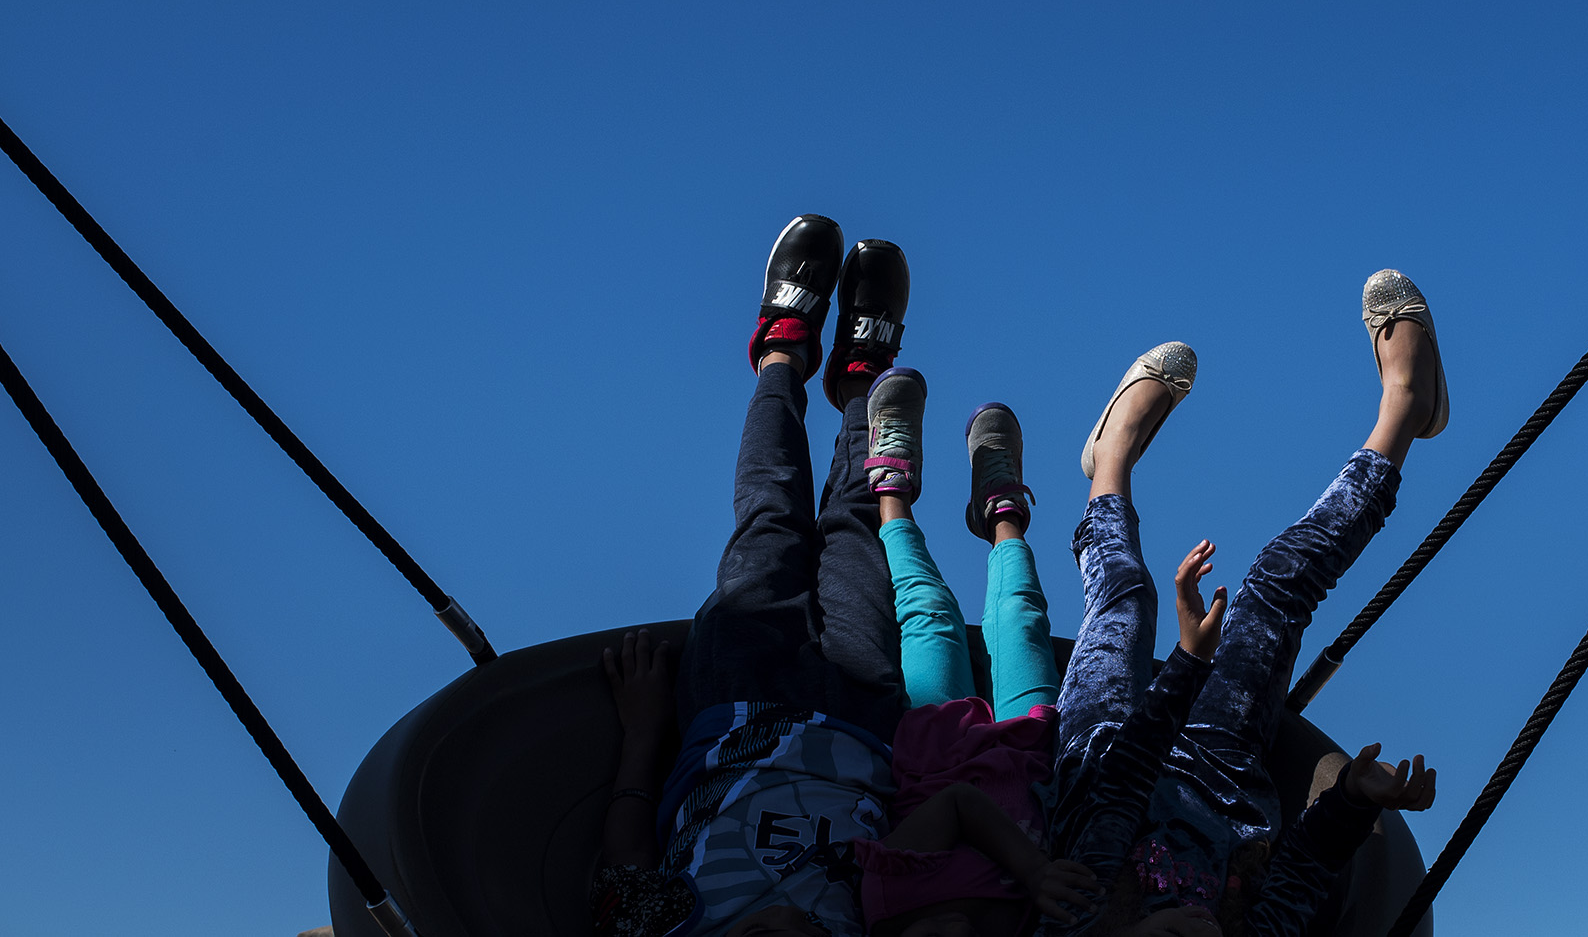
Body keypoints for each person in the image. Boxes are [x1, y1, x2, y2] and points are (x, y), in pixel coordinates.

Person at [1047, 270, 1448, 937]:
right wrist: (1352, 797)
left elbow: (1122, 781)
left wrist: (1186, 663)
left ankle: (1110, 458)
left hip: (1108, 760)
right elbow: (1302, 872)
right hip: (1225, 779)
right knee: (1277, 584)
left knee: (1125, 597)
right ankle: (1404, 410)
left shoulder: (1084, 915)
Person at [589, 214, 917, 937]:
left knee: (770, 514)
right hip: (861, 725)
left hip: (734, 704)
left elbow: (626, 854)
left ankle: (781, 349)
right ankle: (861, 378)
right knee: (859, 525)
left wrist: (645, 731)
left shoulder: (668, 929)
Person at [847, 387, 1078, 937]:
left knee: (930, 614)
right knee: (1022, 616)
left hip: (938, 750)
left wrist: (1033, 870)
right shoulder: (1017, 928)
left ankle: (892, 492)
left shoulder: (889, 899)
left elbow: (957, 803)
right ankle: (1001, 514)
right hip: (1031, 750)